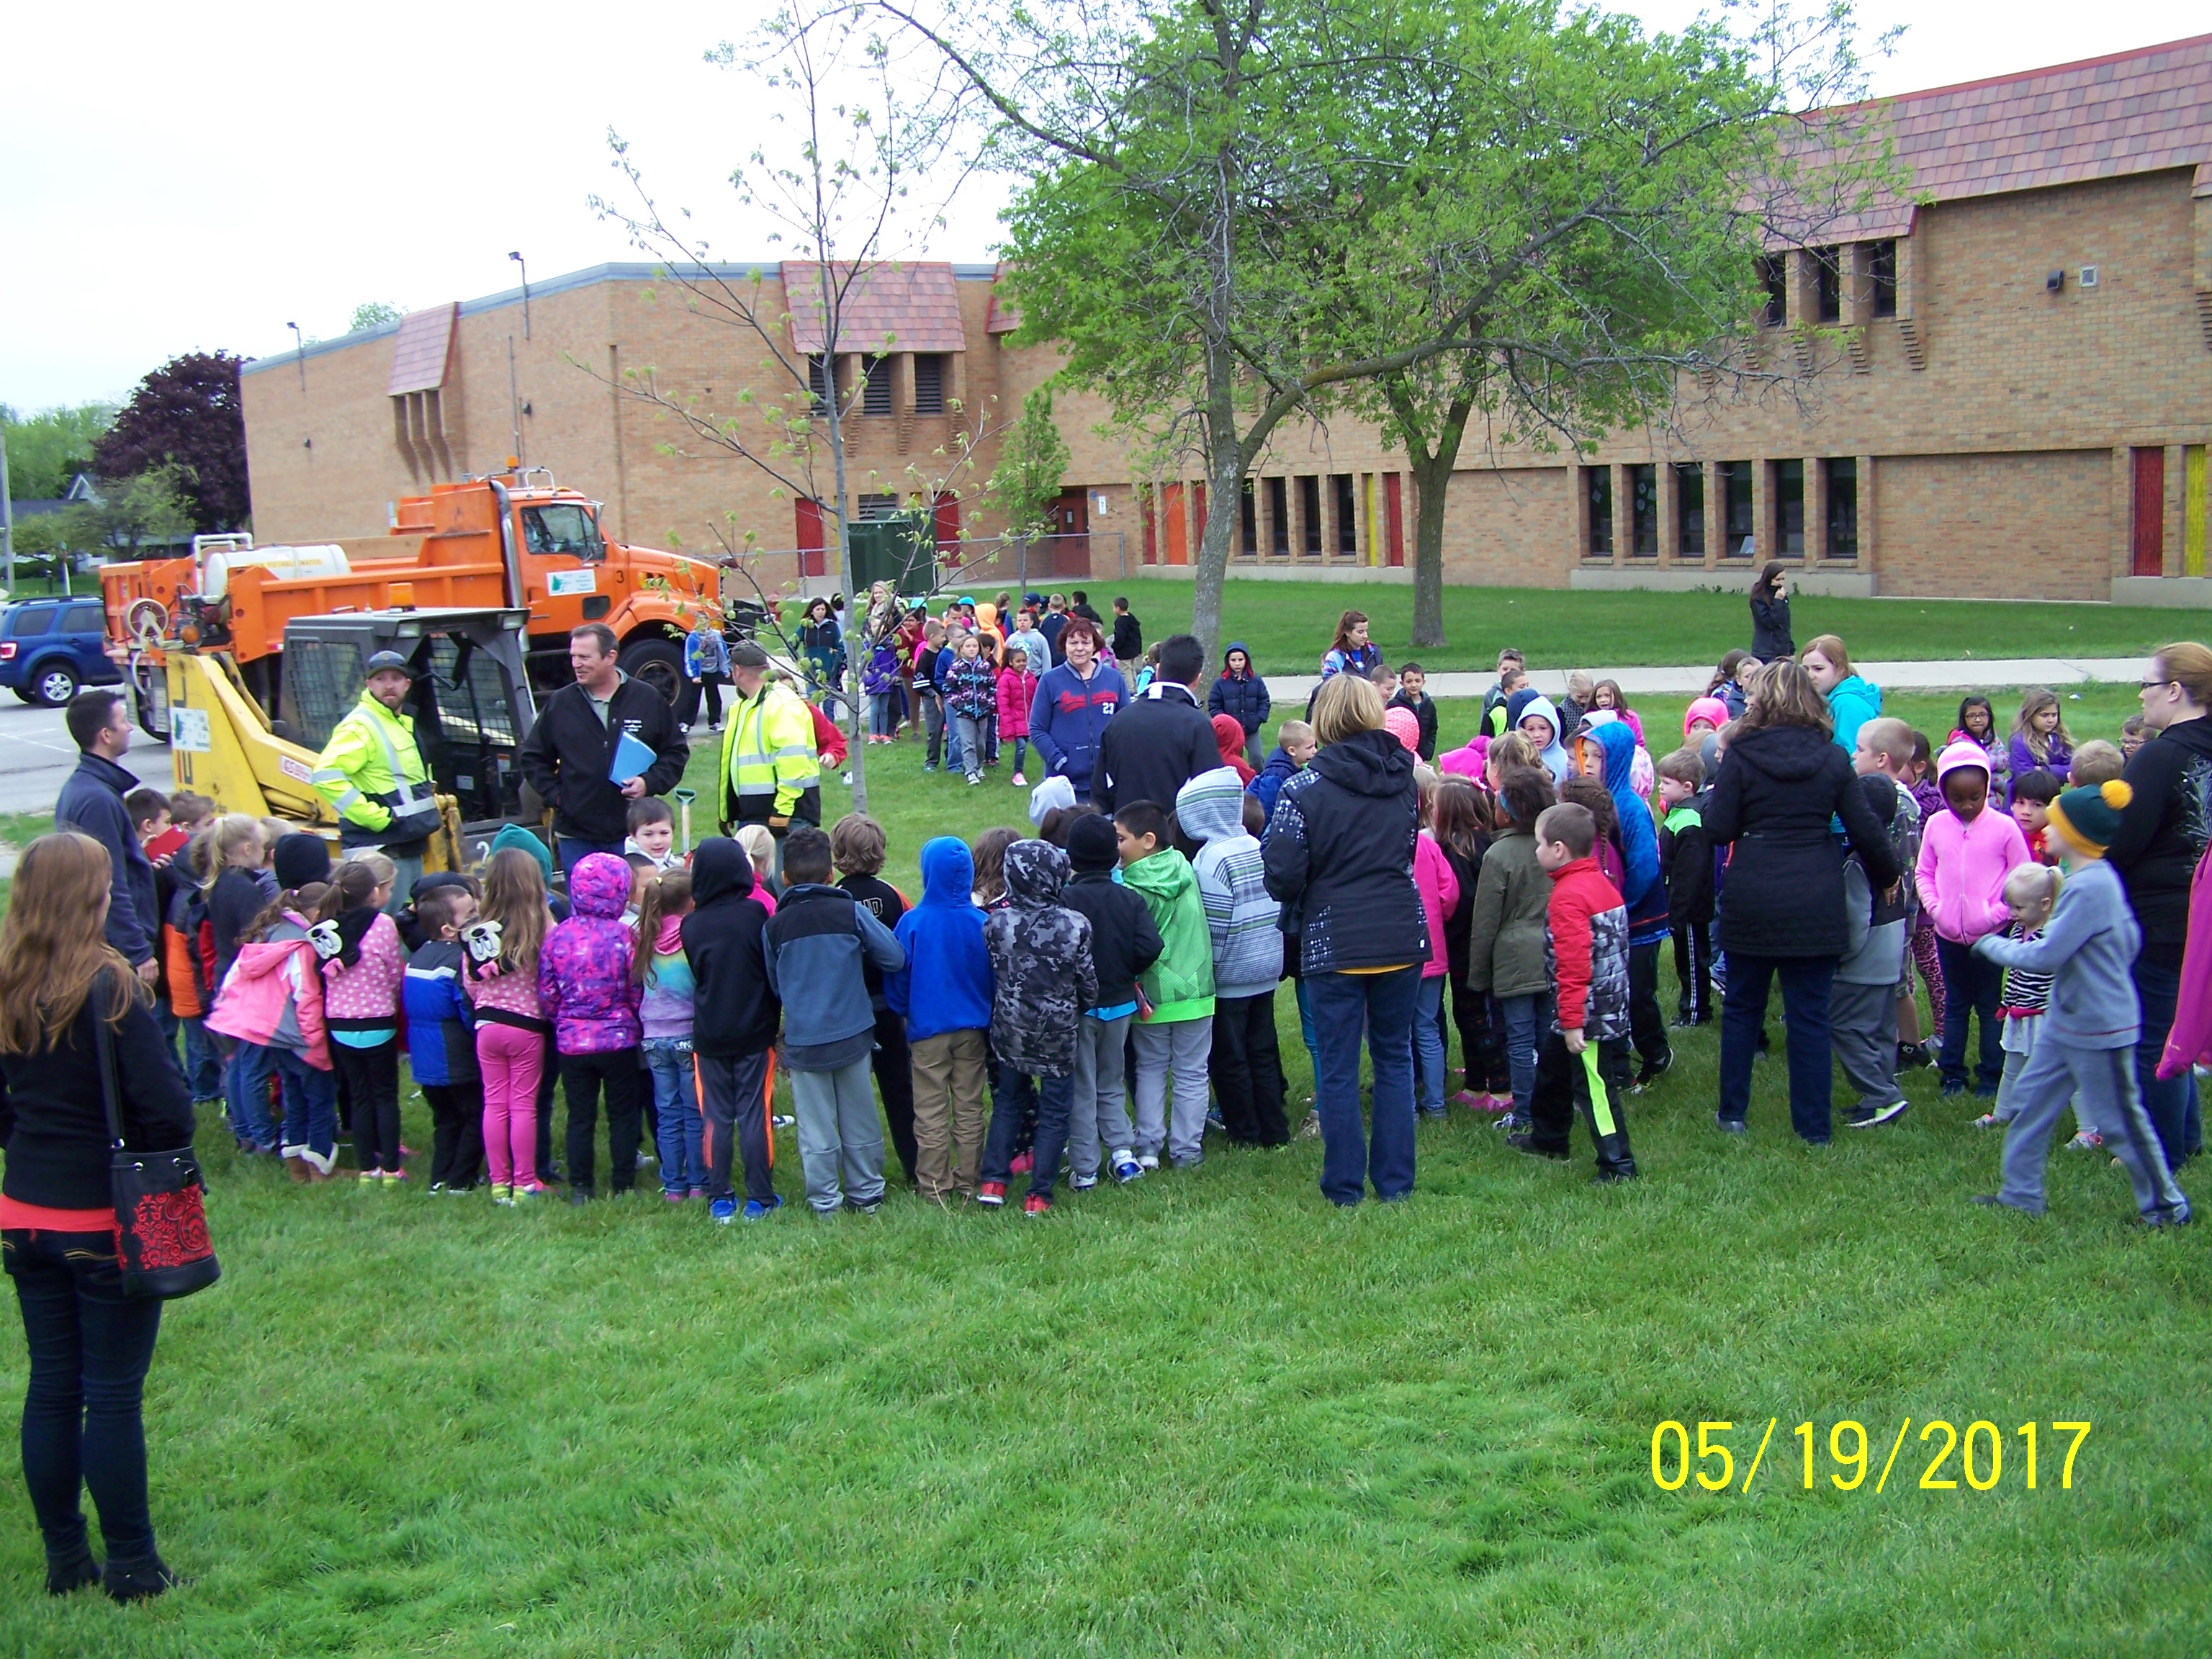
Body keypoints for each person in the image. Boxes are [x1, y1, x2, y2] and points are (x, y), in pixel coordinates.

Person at [0, 832, 195, 1602]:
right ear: (89, 896)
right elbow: (170, 1108)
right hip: (98, 1216)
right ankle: (132, 1564)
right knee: (110, 1391)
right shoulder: (108, 987)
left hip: (23, 1211)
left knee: (51, 1383)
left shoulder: (9, 982)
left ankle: (64, 1559)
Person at [1973, 780, 2190, 1225]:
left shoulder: (2092, 886)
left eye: (2056, 819)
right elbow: (2128, 941)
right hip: (2069, 1019)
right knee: (2033, 1103)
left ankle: (2167, 1208)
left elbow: (2048, 954)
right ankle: (2020, 1194)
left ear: (2077, 834)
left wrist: (1991, 947)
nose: (2046, 827)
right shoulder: (2087, 880)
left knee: (2119, 1121)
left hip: (2099, 1026)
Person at [1704, 659, 1899, 1144]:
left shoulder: (1742, 755)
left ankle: (1732, 1114)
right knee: (1811, 1015)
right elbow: (1865, 827)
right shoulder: (1832, 757)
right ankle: (1813, 1128)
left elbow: (1720, 828)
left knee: (1744, 1008)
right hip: (1814, 890)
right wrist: (1889, 874)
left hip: (1754, 888)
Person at [1262, 673, 1427, 1206]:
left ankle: (1344, 1187)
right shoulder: (1406, 778)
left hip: (1336, 936)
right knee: (1394, 1058)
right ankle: (1395, 1184)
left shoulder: (1302, 788)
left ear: (1323, 719)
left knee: (1337, 1067)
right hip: (1398, 929)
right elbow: (1403, 849)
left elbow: (1282, 875)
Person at [2105, 642, 2212, 1172]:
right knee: (2182, 1028)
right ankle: (2186, 1139)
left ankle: (2161, 1153)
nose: (2142, 695)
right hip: (2202, 913)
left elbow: (2121, 840)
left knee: (2154, 1040)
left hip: (2165, 917)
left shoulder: (2161, 754)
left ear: (2175, 691)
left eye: (2148, 683)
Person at [762, 827, 905, 1216]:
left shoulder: (774, 926)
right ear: (830, 875)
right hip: (855, 1032)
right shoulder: (849, 910)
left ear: (784, 878)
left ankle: (825, 1200)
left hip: (805, 1039)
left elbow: (776, 985)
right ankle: (867, 1193)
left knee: (815, 1126)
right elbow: (894, 956)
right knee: (860, 1116)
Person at [1511, 802, 1637, 1180]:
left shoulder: (1568, 897)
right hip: (1604, 1001)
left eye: (1540, 844)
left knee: (1595, 1086)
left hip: (1588, 1013)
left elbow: (1574, 965)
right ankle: (1549, 1137)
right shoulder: (1600, 882)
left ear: (1559, 849)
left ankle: (1618, 1163)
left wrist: (1572, 1023)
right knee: (1552, 1068)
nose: (1536, 851)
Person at [976, 841, 1095, 1214]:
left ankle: (993, 1181)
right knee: (1055, 1109)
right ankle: (1039, 1193)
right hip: (1058, 1032)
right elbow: (1087, 982)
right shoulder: (1074, 924)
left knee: (1009, 1103)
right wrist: (1080, 1006)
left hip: (1010, 1029)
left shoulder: (996, 923)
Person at [519, 625, 688, 881]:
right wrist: (558, 797)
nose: (576, 664)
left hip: (633, 835)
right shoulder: (561, 704)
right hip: (577, 836)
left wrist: (648, 782)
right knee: (585, 911)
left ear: (610, 657)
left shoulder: (646, 699)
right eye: (573, 657)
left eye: (585, 657)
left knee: (635, 909)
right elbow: (532, 758)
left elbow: (675, 752)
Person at [1178, 768, 1289, 1148]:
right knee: (1263, 1048)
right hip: (1267, 963)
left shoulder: (1210, 860)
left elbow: (1217, 925)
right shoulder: (1256, 845)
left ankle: (1244, 1131)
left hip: (1231, 974)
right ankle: (1275, 1127)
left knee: (1230, 1056)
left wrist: (1214, 968)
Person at [1917, 740, 2031, 1100]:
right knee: (1954, 1003)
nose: (1966, 805)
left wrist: (1998, 915)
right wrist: (1937, 910)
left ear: (1987, 791)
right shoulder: (1936, 825)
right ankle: (1952, 1072)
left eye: (1975, 797)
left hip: (1991, 937)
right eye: (1957, 798)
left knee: (1987, 1005)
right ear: (1943, 793)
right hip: (1947, 934)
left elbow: (2023, 879)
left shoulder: (2005, 828)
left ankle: (1991, 1074)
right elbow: (1924, 872)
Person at [207, 873, 338, 1181]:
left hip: (270, 1033)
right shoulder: (302, 946)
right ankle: (320, 1168)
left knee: (293, 1097)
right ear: (318, 914)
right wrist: (316, 1045)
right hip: (298, 1036)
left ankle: (295, 1165)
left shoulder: (267, 933)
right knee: (319, 1100)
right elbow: (306, 996)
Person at [681, 839, 783, 1223]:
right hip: (755, 1029)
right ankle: (760, 1197)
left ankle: (720, 1197)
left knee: (717, 1116)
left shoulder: (692, 924)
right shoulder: (757, 914)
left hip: (709, 1033)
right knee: (755, 1112)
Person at [889, 837, 995, 1203]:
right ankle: (970, 1180)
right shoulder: (982, 922)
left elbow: (898, 976)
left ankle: (934, 1184)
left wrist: (904, 1009)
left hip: (927, 1031)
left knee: (930, 1108)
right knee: (969, 1105)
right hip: (973, 1029)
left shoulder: (912, 923)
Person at [1059, 814, 1162, 1188]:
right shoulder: (1129, 899)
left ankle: (1085, 1167)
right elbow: (1150, 945)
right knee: (1112, 1079)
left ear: (1070, 856)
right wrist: (1124, 970)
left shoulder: (1064, 900)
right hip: (1119, 1005)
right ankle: (1122, 1153)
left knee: (1082, 1083)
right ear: (1113, 855)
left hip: (1078, 1007)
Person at [1116, 801, 1217, 1169]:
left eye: (1120, 838)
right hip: (1197, 989)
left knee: (1151, 1067)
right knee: (1193, 1071)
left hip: (1152, 993)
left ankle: (1148, 1146)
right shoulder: (1184, 867)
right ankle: (1187, 1149)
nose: (1116, 847)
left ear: (1147, 840)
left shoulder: (1129, 887)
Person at [1573, 717, 1671, 1089]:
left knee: (1639, 990)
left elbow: (1645, 866)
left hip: (1639, 917)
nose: (1592, 763)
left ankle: (1656, 1053)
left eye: (1599, 756)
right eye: (1588, 755)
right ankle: (1627, 1051)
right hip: (1611, 915)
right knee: (1617, 990)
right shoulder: (1599, 801)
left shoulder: (1628, 807)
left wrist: (1622, 907)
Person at [539, 853, 644, 1202]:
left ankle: (581, 1185)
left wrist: (564, 1020)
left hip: (572, 1042)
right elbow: (636, 988)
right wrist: (633, 1019)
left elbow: (547, 991)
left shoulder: (558, 937)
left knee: (580, 1116)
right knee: (622, 1114)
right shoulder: (624, 937)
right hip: (618, 1039)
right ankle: (623, 1183)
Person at [305, 655, 441, 912]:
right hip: (383, 849)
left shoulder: (400, 723)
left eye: (396, 678)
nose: (388, 685)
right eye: (380, 679)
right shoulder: (361, 725)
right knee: (388, 926)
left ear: (408, 684)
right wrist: (377, 818)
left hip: (405, 844)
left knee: (407, 925)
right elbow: (325, 776)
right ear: (368, 684)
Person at [830, 814, 917, 1187]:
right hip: (889, 1008)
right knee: (900, 1089)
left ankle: (856, 1173)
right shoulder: (894, 895)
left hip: (849, 1011)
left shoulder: (833, 898)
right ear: (881, 852)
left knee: (851, 1095)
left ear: (836, 855)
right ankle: (916, 1168)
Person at [465, 848, 556, 1204]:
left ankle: (499, 1179)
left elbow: (470, 982)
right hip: (527, 1026)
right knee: (522, 1104)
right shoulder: (543, 924)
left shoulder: (475, 930)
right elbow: (550, 975)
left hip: (486, 1024)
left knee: (494, 1102)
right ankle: (526, 1180)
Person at [54, 691, 161, 983]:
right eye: (123, 721)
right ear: (106, 734)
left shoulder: (87, 788)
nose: (129, 727)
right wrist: (138, 952)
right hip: (114, 952)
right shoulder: (98, 799)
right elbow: (108, 883)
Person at [316, 860, 408, 1181]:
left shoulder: (325, 925)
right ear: (373, 892)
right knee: (384, 1095)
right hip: (378, 1019)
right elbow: (394, 970)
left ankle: (367, 1167)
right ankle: (393, 1167)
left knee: (359, 1095)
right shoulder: (382, 925)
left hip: (340, 1022)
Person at [1831, 773, 1913, 1129]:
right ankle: (1882, 1092)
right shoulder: (1892, 856)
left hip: (1863, 964)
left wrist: (1842, 957)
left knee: (1844, 1026)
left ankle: (1881, 1095)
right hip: (1890, 959)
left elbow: (1854, 920)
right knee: (1880, 1030)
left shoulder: (1856, 863)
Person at [403, 886, 485, 1193]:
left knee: (446, 1120)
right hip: (456, 1057)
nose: (478, 918)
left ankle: (440, 1176)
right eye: (471, 915)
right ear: (450, 929)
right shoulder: (457, 961)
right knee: (475, 1117)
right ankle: (460, 1180)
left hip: (426, 1059)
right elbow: (465, 1008)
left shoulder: (417, 957)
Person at [1972, 863, 2062, 1134]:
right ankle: (2002, 1114)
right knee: (2011, 1068)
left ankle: (2088, 1129)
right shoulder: (2016, 932)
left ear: (2045, 904)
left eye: (2019, 908)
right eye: (2010, 907)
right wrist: (2008, 1003)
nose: (2012, 914)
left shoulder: (2052, 936)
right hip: (2020, 1014)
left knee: (2065, 1073)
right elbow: (2014, 975)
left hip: (2046, 1019)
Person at [634, 868, 706, 1203]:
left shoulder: (641, 937)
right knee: (694, 1113)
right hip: (687, 1033)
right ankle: (698, 1182)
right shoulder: (691, 935)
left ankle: (673, 1185)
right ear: (691, 902)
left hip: (652, 1038)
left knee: (667, 1113)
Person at [1094, 634, 1218, 817]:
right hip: (1176, 839)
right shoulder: (1197, 725)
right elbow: (1209, 795)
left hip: (1125, 836)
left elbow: (1101, 791)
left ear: (1158, 671)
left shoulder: (1119, 720)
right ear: (1197, 679)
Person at [719, 639, 823, 845]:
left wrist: (783, 811)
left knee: (780, 877)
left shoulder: (779, 703)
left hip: (783, 817)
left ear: (737, 670)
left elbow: (793, 762)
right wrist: (728, 810)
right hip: (757, 814)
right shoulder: (746, 705)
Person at [1408, 773, 1462, 1119]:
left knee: (1398, 1033)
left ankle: (1408, 1106)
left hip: (1399, 952)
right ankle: (1436, 1103)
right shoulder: (1426, 845)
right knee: (1427, 1026)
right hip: (1432, 948)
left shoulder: (1381, 843)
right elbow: (1449, 892)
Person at [1028, 618, 1126, 801]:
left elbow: (1127, 725)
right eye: (1073, 643)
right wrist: (1059, 761)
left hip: (1107, 781)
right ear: (1064, 646)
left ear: (1095, 645)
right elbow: (1037, 729)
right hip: (1063, 782)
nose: (1079, 648)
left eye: (1085, 642)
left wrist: (1117, 762)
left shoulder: (1114, 679)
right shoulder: (1050, 681)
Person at [1656, 749, 1714, 1028]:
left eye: (1666, 783)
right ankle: (1692, 1007)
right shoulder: (1679, 813)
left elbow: (1689, 874)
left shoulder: (1690, 821)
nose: (1660, 787)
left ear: (1687, 787)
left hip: (1691, 909)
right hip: (1682, 905)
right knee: (1685, 959)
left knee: (1691, 961)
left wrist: (1678, 913)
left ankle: (1695, 1012)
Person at [1800, 634, 1880, 754]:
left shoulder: (1847, 703)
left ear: (1840, 669)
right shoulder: (1828, 698)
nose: (1810, 676)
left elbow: (1853, 756)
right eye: (1806, 669)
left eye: (1818, 669)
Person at [942, 632, 999, 788]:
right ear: (962, 649)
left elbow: (993, 686)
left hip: (982, 711)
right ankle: (970, 772)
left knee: (981, 743)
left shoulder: (985, 667)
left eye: (975, 646)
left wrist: (989, 703)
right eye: (968, 646)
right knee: (968, 743)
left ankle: (979, 766)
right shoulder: (957, 667)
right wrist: (959, 704)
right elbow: (948, 689)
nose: (972, 649)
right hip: (964, 713)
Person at [1208, 642, 1272, 768]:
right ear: (1228, 662)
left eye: (1240, 660)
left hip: (1251, 729)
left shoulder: (1256, 681)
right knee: (1233, 761)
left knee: (1257, 758)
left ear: (1246, 661)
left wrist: (1259, 718)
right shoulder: (1220, 683)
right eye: (1233, 660)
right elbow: (1214, 705)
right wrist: (1226, 722)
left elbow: (1264, 700)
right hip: (1231, 732)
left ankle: (1257, 782)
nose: (1237, 664)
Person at [2007, 688, 2074, 799]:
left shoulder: (2058, 738)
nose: (2051, 720)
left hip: (2051, 799)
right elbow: (2026, 778)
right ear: (2030, 715)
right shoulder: (2020, 742)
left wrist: (2045, 770)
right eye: (2045, 715)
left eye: (2054, 715)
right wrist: (2061, 773)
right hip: (2023, 801)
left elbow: (2073, 769)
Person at [1248, 719, 1316, 824]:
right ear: (1292, 751)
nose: (1315, 751)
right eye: (1310, 747)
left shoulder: (1294, 763)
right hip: (1258, 821)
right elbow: (1268, 808)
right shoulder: (1278, 774)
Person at [1950, 696, 2013, 799]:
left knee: (2013, 793)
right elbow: (1972, 767)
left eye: (1983, 715)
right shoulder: (1960, 741)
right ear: (1963, 718)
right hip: (1970, 792)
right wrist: (1993, 770)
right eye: (1971, 716)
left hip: (1992, 793)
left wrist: (1985, 762)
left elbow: (2005, 760)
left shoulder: (1991, 737)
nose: (1978, 720)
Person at [996, 646, 1039, 787]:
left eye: (1024, 661)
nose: (1022, 664)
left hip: (1030, 720)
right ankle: (1018, 773)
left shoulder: (1031, 679)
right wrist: (1007, 725)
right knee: (1021, 747)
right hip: (1015, 720)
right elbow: (1003, 703)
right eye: (1018, 661)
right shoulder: (1006, 679)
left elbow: (1036, 699)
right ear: (1010, 662)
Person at [685, 611, 732, 732]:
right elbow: (689, 656)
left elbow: (723, 651)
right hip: (700, 673)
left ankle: (714, 722)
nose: (703, 624)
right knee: (693, 699)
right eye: (700, 621)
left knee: (714, 698)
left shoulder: (715, 635)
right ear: (696, 622)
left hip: (712, 671)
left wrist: (726, 669)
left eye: (705, 621)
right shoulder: (693, 638)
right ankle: (686, 723)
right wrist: (694, 675)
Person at [1514, 693, 1573, 785]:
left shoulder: (1566, 761)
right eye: (1531, 729)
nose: (1537, 735)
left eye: (1543, 728)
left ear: (1554, 728)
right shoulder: (1519, 758)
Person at [798, 598, 843, 711]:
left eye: (823, 609)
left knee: (829, 707)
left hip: (829, 674)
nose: (821, 612)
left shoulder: (832, 626)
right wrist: (801, 662)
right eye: (818, 609)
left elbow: (841, 648)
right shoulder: (806, 626)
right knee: (813, 707)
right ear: (812, 611)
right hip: (811, 674)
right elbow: (791, 644)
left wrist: (835, 664)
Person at [1388, 664, 1439, 763]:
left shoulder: (1429, 705)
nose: (1414, 685)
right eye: (1409, 681)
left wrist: (1428, 750)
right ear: (1402, 683)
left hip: (1422, 754)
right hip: (1400, 756)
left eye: (1417, 681)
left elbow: (1432, 729)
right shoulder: (1395, 704)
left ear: (1423, 682)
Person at [2010, 769, 2062, 864]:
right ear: (2012, 805)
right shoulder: (2004, 836)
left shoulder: (2056, 846)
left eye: (2037, 805)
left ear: (2052, 808)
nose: (2026, 812)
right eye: (2021, 803)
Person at [1749, 562, 1793, 661]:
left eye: (1783, 579)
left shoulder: (1781, 595)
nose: (1781, 583)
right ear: (1769, 579)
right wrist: (1777, 601)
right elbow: (1769, 622)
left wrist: (1790, 649)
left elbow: (1785, 624)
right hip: (1766, 651)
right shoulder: (1758, 598)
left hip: (1782, 650)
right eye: (1777, 580)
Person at [1319, 611, 1382, 681]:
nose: (1365, 636)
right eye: (1360, 632)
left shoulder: (1374, 652)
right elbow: (1329, 687)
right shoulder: (1335, 657)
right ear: (1347, 632)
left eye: (1366, 631)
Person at [625, 798, 680, 871]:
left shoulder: (670, 859)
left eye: (664, 833)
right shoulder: (633, 870)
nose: (657, 841)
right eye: (648, 834)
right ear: (634, 836)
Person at [1480, 650, 1526, 737]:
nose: (1508, 673)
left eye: (1513, 670)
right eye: (1505, 669)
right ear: (1498, 668)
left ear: (1522, 671)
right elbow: (1485, 722)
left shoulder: (1526, 694)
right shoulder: (1492, 694)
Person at [1111, 597, 1142, 664]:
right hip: (1134, 650)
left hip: (1124, 653)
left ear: (1118, 608)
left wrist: (1114, 646)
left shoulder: (1120, 622)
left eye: (1114, 607)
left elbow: (1120, 636)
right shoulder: (1132, 619)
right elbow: (1138, 635)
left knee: (1125, 671)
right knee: (1132, 669)